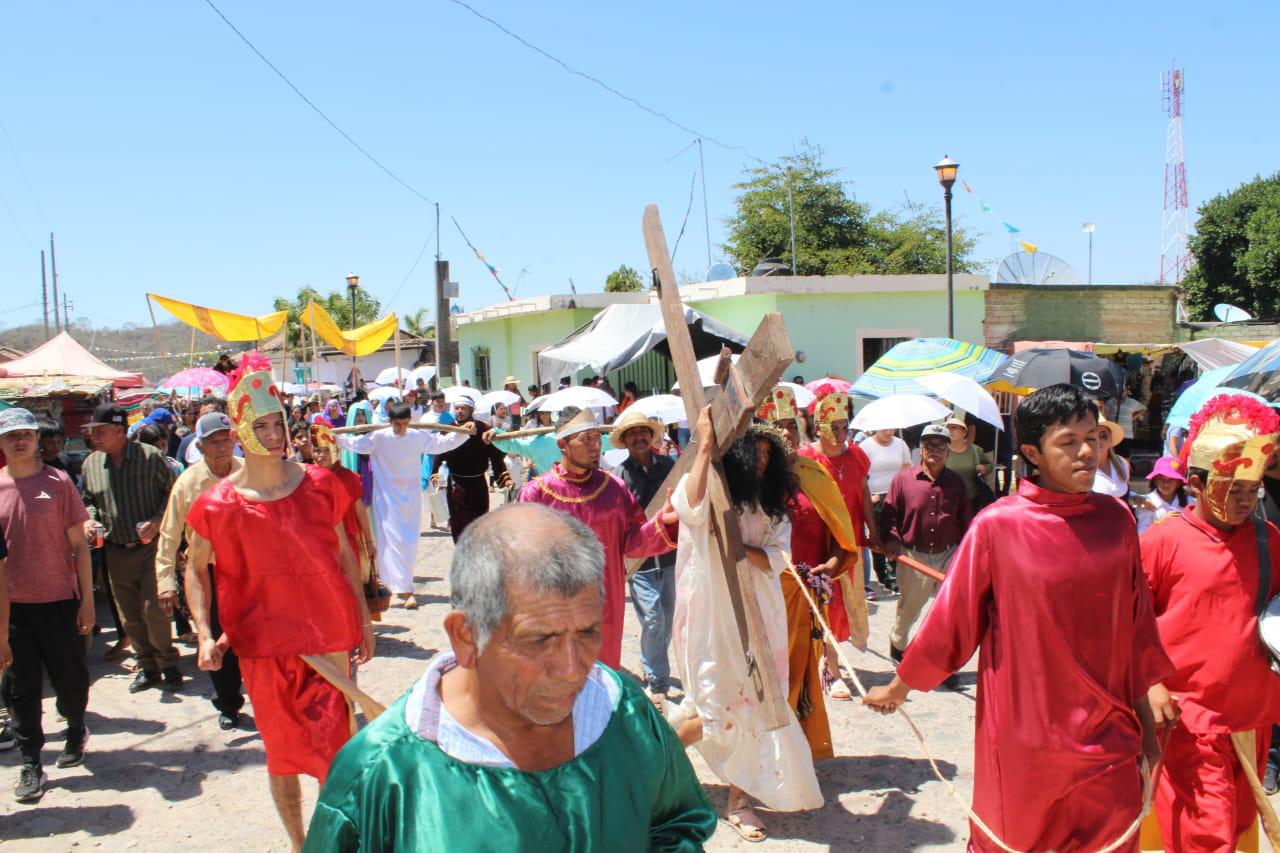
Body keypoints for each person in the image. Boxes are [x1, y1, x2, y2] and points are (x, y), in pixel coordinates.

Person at [864, 384, 1174, 853]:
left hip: (1109, 737)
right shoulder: (998, 525)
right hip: (1024, 741)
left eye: (1094, 437)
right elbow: (952, 622)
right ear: (1032, 452)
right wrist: (899, 686)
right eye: (1069, 442)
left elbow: (1136, 625)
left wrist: (1147, 716)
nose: (1088, 452)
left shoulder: (1117, 521)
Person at [302, 503, 716, 851]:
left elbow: (676, 824)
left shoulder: (622, 711)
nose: (573, 670)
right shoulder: (379, 775)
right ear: (466, 637)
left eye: (588, 632)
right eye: (538, 640)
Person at [184, 363, 374, 852]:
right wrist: (204, 632)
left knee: (338, 745)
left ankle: (338, 841)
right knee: (282, 752)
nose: (273, 435)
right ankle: (297, 843)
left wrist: (364, 618)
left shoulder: (320, 483)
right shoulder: (217, 504)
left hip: (327, 637)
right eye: (261, 425)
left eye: (279, 424)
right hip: (263, 645)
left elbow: (344, 555)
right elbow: (195, 569)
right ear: (241, 429)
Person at [668, 406, 823, 841]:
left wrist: (740, 547)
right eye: (751, 454)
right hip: (712, 613)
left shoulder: (772, 511)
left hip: (761, 615)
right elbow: (688, 505)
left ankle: (740, 798)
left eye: (766, 456)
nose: (760, 463)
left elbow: (777, 559)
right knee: (713, 704)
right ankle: (648, 767)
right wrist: (702, 445)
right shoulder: (709, 486)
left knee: (756, 704)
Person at [1140, 393, 1280, 852]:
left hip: (1254, 714)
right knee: (1207, 835)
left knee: (1238, 827)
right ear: (1196, 484)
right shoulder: (1163, 541)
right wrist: (1150, 685)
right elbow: (1130, 621)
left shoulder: (1270, 539)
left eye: (1251, 491)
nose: (1243, 502)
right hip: (1190, 717)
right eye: (1232, 490)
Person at [518, 407, 677, 669]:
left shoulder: (613, 488)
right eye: (586, 439)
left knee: (602, 686)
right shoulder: (537, 493)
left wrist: (663, 523)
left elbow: (634, 541)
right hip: (557, 611)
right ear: (563, 445)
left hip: (606, 610)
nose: (595, 447)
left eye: (596, 438)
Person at [757, 387, 861, 764]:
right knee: (765, 676)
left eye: (792, 426)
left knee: (799, 676)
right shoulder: (751, 481)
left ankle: (797, 751)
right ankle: (765, 754)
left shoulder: (814, 474)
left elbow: (841, 535)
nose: (786, 433)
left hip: (805, 598)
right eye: (778, 427)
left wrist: (832, 566)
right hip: (762, 594)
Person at [0, 408, 94, 803]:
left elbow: (79, 546)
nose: (19, 441)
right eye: (10, 435)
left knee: (68, 677)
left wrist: (87, 600)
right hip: (15, 607)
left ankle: (75, 728)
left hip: (58, 600)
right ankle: (31, 762)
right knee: (21, 690)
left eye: (26, 434)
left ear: (37, 439)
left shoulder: (56, 483)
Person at [154, 412, 246, 730]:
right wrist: (166, 580)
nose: (222, 447)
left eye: (226, 439)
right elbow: (169, 533)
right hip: (207, 573)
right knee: (218, 639)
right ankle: (229, 703)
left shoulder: (248, 473)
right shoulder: (188, 484)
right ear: (201, 446)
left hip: (249, 571)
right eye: (214, 442)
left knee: (254, 637)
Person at [80, 402, 180, 694]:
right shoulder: (91, 465)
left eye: (100, 430)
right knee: (129, 614)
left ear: (120, 431)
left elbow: (174, 494)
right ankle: (147, 666)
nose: (94, 436)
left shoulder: (150, 458)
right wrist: (90, 521)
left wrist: (157, 519)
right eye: (92, 431)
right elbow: (88, 501)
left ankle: (168, 664)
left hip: (150, 548)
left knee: (155, 609)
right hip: (114, 549)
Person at [335, 402, 471, 607]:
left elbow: (441, 444)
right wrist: (331, 435)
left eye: (405, 424)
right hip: (386, 498)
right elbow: (353, 443)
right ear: (390, 422)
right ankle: (403, 589)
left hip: (410, 498)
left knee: (408, 541)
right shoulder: (379, 438)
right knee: (390, 540)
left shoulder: (416, 436)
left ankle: (399, 584)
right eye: (397, 424)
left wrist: (463, 433)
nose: (401, 428)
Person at [879, 423, 973, 677]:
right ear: (920, 449)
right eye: (929, 445)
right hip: (913, 555)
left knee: (949, 610)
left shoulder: (956, 483)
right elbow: (891, 516)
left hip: (948, 554)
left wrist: (965, 554)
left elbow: (966, 520)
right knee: (910, 607)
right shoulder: (903, 480)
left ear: (948, 451)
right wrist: (892, 540)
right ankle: (898, 647)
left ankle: (943, 661)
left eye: (941, 446)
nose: (935, 450)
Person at [798, 386, 873, 653]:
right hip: (819, 543)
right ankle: (830, 666)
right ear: (818, 427)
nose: (842, 434)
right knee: (823, 599)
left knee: (844, 603)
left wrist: (872, 532)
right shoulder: (804, 460)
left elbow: (863, 492)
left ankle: (831, 662)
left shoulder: (857, 456)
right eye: (835, 428)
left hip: (850, 541)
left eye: (845, 427)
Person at [610, 410, 677, 699]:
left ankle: (652, 662)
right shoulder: (619, 478)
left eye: (643, 432)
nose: (638, 438)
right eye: (632, 434)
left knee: (668, 619)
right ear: (624, 441)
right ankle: (657, 679)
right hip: (640, 564)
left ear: (650, 437)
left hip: (672, 558)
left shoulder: (670, 466)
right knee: (653, 620)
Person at [310, 420, 378, 611]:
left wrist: (370, 542)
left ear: (336, 450)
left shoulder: (349, 477)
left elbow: (360, 511)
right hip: (320, 543)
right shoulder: (307, 478)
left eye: (325, 449)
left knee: (351, 585)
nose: (321, 455)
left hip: (348, 542)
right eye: (317, 450)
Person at [435, 393, 509, 542]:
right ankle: (461, 554)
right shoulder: (447, 429)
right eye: (457, 408)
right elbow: (439, 452)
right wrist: (436, 473)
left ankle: (478, 554)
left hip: (478, 484)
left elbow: (496, 454)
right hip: (456, 483)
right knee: (458, 521)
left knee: (480, 520)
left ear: (471, 410)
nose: (459, 411)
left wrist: (503, 476)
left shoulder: (483, 428)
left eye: (463, 408)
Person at [859, 427, 911, 593]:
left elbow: (911, 469)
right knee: (878, 535)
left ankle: (894, 572)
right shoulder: (866, 446)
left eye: (892, 428)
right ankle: (883, 574)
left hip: (897, 494)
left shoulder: (901, 444)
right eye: (885, 429)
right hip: (875, 495)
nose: (889, 432)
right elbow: (861, 474)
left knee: (896, 534)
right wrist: (868, 495)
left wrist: (907, 469)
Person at [1134, 455, 1192, 534]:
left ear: (1178, 483)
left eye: (1171, 479)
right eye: (1161, 479)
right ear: (1155, 481)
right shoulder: (1146, 502)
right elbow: (1142, 534)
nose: (1166, 484)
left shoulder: (1190, 501)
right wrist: (1161, 521)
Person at [943, 414, 993, 501]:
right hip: (948, 499)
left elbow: (990, 466)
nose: (950, 431)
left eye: (954, 428)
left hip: (972, 500)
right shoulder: (942, 450)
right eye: (947, 428)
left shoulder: (975, 450)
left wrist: (984, 468)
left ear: (964, 432)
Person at [1092, 415, 1132, 501]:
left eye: (1103, 435)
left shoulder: (1122, 463)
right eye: (1092, 436)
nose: (1098, 440)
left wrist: (1135, 496)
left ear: (1111, 440)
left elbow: (1123, 490)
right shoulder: (1080, 468)